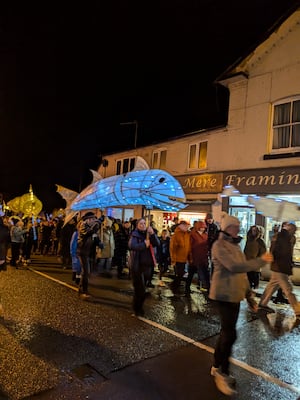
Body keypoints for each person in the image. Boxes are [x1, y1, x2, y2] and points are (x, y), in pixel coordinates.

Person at [209, 212, 273, 396]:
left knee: (226, 333)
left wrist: (249, 296)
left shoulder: (236, 246)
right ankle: (222, 371)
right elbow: (235, 267)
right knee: (230, 333)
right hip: (223, 295)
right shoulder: (219, 245)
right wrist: (261, 261)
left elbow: (241, 275)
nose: (238, 229)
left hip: (235, 295)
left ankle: (217, 365)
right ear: (228, 228)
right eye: (235, 226)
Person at [258, 222, 300, 316]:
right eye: (294, 230)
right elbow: (281, 252)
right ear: (290, 230)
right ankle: (297, 309)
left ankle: (262, 303)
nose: (295, 232)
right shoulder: (283, 238)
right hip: (280, 267)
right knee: (288, 289)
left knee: (272, 286)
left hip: (279, 266)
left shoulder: (284, 237)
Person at [128, 218, 160, 316]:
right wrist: (143, 245)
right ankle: (137, 309)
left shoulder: (149, 234)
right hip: (138, 266)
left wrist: (153, 234)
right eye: (140, 223)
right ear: (137, 225)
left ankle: (139, 307)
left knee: (143, 288)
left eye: (144, 223)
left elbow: (157, 243)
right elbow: (131, 246)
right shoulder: (134, 235)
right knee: (139, 289)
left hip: (148, 266)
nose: (143, 225)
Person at [76, 212, 102, 299]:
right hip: (82, 251)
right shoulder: (83, 226)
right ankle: (83, 291)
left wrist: (99, 243)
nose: (93, 221)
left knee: (87, 272)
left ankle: (82, 289)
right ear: (88, 219)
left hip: (89, 252)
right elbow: (87, 233)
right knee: (85, 272)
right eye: (92, 219)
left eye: (94, 219)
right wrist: (96, 226)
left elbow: (94, 237)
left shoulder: (90, 226)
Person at [169, 220, 192, 295]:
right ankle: (174, 287)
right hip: (178, 258)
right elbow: (173, 248)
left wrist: (189, 257)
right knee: (179, 274)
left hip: (184, 258)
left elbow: (188, 247)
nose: (187, 227)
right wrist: (173, 259)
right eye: (186, 226)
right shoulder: (176, 235)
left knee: (181, 274)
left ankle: (175, 286)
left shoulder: (187, 234)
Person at [187, 220, 210, 295]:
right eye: (201, 227)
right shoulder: (193, 234)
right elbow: (189, 246)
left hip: (203, 257)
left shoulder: (205, 235)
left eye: (204, 227)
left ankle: (208, 288)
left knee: (205, 273)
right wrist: (190, 257)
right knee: (191, 273)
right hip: (195, 257)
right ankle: (187, 288)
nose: (203, 229)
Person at [244, 225, 267, 291]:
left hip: (255, 264)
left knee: (254, 279)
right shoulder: (249, 240)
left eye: (255, 230)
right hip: (248, 263)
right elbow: (246, 250)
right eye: (252, 230)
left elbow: (263, 252)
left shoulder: (260, 241)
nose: (253, 232)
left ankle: (253, 292)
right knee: (248, 280)